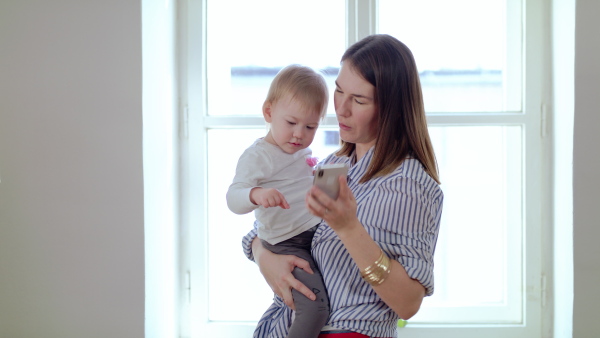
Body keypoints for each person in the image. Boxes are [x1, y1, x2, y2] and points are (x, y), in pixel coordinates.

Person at [242, 34, 444, 338]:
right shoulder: (332, 167)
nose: (342, 109)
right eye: (338, 91)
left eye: (359, 100)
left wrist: (349, 228)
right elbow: (268, 229)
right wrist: (265, 257)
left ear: (391, 109)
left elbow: (408, 303)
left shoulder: (409, 185)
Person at [227, 64, 331, 338]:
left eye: (310, 126)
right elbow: (233, 198)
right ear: (269, 112)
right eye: (291, 123)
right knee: (314, 307)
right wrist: (255, 195)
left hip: (314, 234)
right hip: (286, 243)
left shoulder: (301, 151)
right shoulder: (258, 156)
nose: (299, 134)